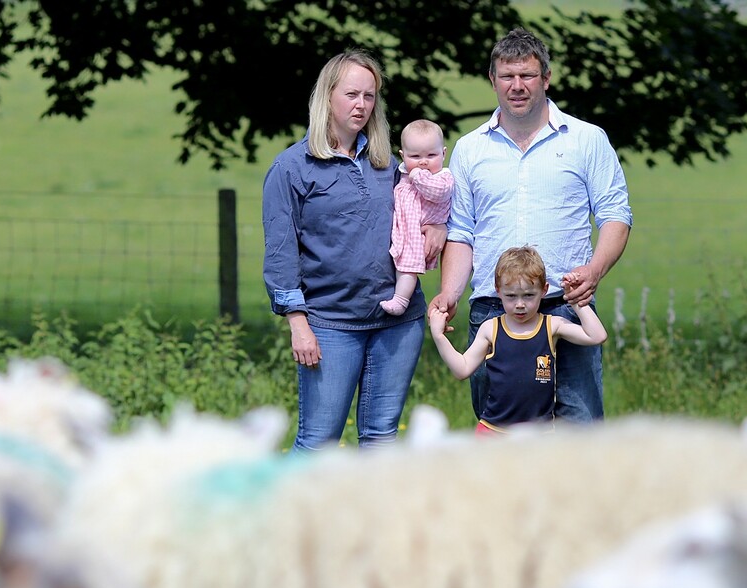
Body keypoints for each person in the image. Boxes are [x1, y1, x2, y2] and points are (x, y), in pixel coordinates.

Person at [428, 27, 632, 423]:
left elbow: (615, 214)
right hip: (494, 309)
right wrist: (450, 293)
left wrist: (594, 271)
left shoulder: (586, 139)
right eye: (507, 76)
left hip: (567, 307)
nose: (517, 86)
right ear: (493, 80)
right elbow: (461, 231)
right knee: (501, 435)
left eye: (527, 76)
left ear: (546, 78)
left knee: (579, 432)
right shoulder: (471, 149)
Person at [263, 51, 446, 452]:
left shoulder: (390, 164)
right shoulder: (292, 167)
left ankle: (369, 518)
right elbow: (280, 255)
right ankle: (285, 516)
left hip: (398, 323)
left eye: (369, 95)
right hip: (329, 325)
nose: (361, 105)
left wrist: (438, 224)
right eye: (351, 94)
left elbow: (425, 206)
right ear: (327, 97)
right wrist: (298, 323)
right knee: (318, 442)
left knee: (381, 440)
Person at [429, 245, 607, 435]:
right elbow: (462, 369)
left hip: (541, 434)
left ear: (544, 290)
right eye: (511, 296)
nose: (520, 304)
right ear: (498, 291)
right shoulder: (491, 328)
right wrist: (439, 336)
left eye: (529, 295)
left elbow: (596, 335)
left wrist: (575, 303)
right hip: (493, 432)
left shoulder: (551, 325)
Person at [381, 119, 454, 316]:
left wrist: (418, 177)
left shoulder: (442, 177)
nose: (423, 161)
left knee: (408, 267)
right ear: (403, 156)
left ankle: (401, 301)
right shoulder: (402, 173)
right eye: (415, 156)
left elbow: (437, 193)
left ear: (444, 153)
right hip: (404, 228)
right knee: (402, 263)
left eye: (431, 155)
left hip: (418, 233)